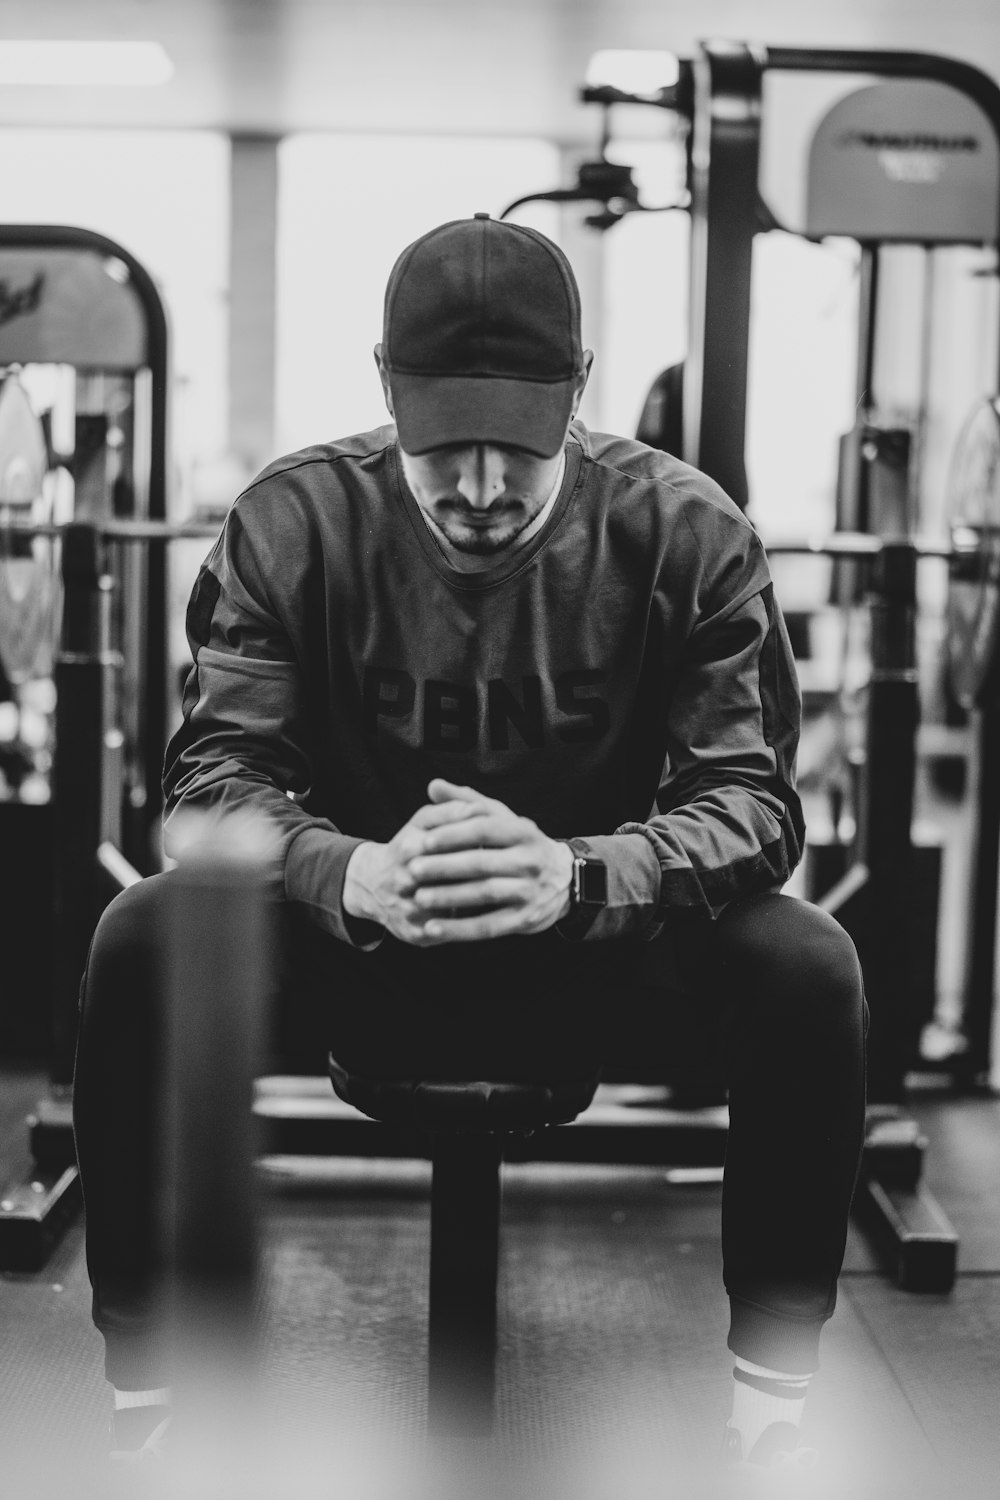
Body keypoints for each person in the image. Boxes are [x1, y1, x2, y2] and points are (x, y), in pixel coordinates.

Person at [72, 213, 867, 1476]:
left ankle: (772, 1399)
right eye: (448, 447)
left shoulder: (687, 533)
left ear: (578, 397)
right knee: (142, 936)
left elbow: (752, 804)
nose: (484, 489)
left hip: (593, 951)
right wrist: (355, 872)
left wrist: (577, 873)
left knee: (808, 961)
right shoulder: (293, 523)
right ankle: (151, 1393)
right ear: (387, 391)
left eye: (520, 446)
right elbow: (214, 782)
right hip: (355, 947)